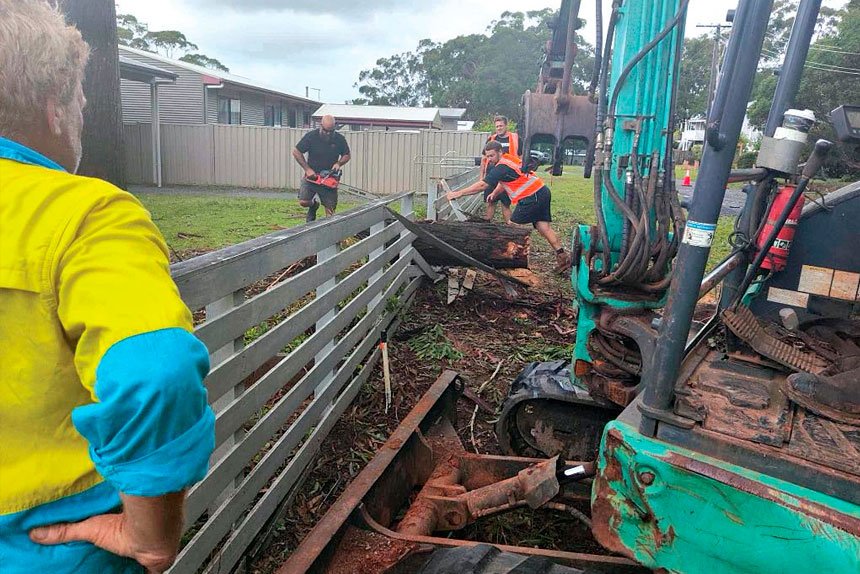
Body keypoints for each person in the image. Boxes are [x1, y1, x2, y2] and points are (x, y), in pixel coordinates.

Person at [0, 2, 215, 573]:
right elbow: (156, 372)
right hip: (53, 546)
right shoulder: (82, 214)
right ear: (53, 108)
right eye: (81, 104)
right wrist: (150, 537)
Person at [448, 141, 571, 273]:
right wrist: (495, 193)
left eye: (492, 156)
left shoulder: (501, 167)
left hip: (532, 196)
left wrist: (459, 193)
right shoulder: (508, 160)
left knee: (512, 228)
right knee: (544, 228)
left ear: (500, 152)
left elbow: (482, 185)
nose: (489, 160)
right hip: (541, 191)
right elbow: (506, 179)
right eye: (487, 157)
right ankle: (563, 257)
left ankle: (513, 263)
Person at [292, 114, 351, 222]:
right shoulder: (311, 137)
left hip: (329, 178)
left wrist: (338, 163)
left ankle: (328, 234)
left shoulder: (339, 139)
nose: (328, 133)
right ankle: (314, 205)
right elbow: (296, 151)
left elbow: (347, 155)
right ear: (321, 125)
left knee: (330, 213)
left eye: (331, 131)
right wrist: (307, 169)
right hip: (312, 177)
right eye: (325, 130)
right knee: (303, 202)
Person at [479, 116, 520, 223]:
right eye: (497, 126)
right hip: (492, 176)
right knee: (490, 201)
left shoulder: (515, 139)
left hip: (506, 177)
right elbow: (484, 159)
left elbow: (521, 157)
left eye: (501, 126)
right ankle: (486, 225)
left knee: (505, 204)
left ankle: (510, 227)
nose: (499, 128)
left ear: (506, 125)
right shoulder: (491, 139)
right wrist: (481, 177)